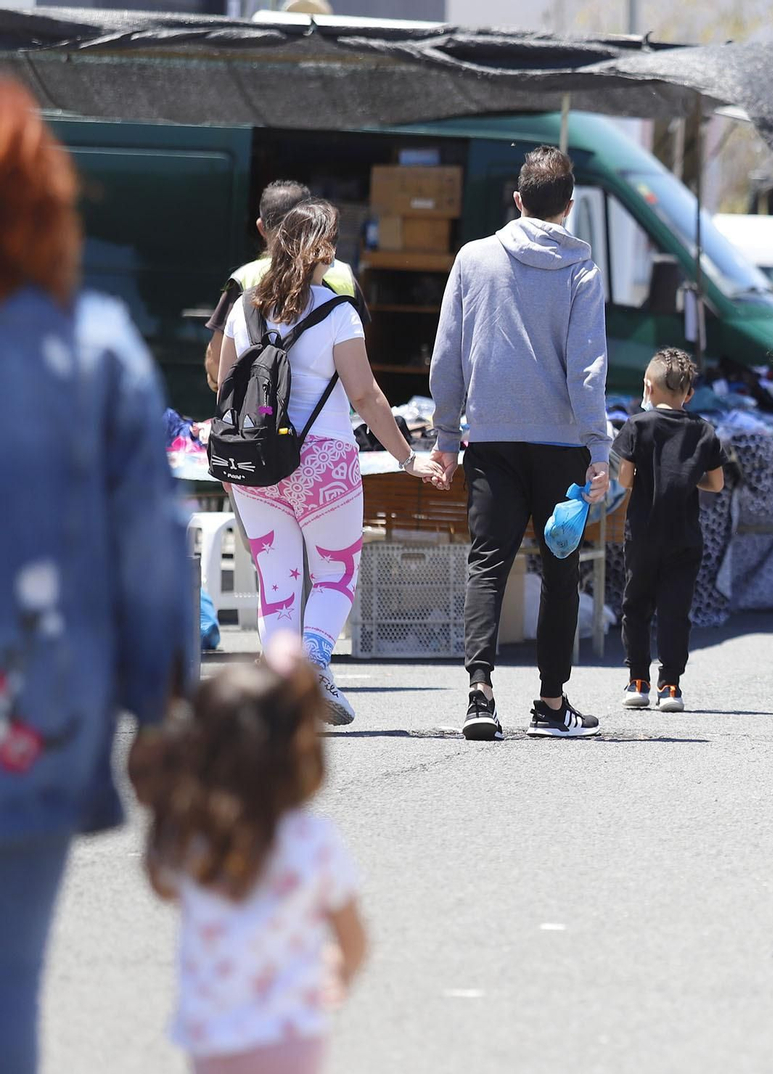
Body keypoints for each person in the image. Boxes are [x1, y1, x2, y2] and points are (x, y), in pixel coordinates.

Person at [0, 81, 193, 1074]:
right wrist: (160, 715)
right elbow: (152, 552)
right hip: (33, 724)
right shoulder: (95, 353)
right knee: (10, 988)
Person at [217, 200, 444, 725]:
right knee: (335, 573)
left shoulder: (243, 309)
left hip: (254, 463)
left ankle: (279, 688)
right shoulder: (338, 312)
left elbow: (227, 390)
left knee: (277, 581)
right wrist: (407, 458)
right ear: (322, 252)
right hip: (323, 461)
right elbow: (365, 396)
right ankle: (314, 661)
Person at [430, 146, 611, 741]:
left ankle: (480, 695)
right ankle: (552, 706)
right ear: (569, 204)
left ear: (517, 200)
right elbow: (588, 369)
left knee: (488, 561)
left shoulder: (473, 258)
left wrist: (447, 435)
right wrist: (599, 448)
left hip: (491, 435)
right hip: (560, 442)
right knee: (560, 567)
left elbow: (448, 353)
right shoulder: (581, 270)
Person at [143, 644, 367, 1074]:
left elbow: (163, 883)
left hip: (211, 1037)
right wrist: (337, 972)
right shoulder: (313, 842)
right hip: (292, 1034)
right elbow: (352, 938)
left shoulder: (191, 837)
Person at [615, 349, 727, 712]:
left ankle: (638, 680)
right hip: (684, 535)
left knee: (636, 605)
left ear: (648, 386)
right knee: (676, 610)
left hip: (644, 531)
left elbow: (625, 479)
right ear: (689, 393)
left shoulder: (637, 425)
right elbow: (716, 484)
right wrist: (686, 478)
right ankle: (671, 686)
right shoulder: (704, 430)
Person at [205, 180, 369, 392]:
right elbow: (361, 360)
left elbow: (218, 361)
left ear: (261, 228)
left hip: (260, 417)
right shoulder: (345, 275)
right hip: (331, 416)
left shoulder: (245, 278)